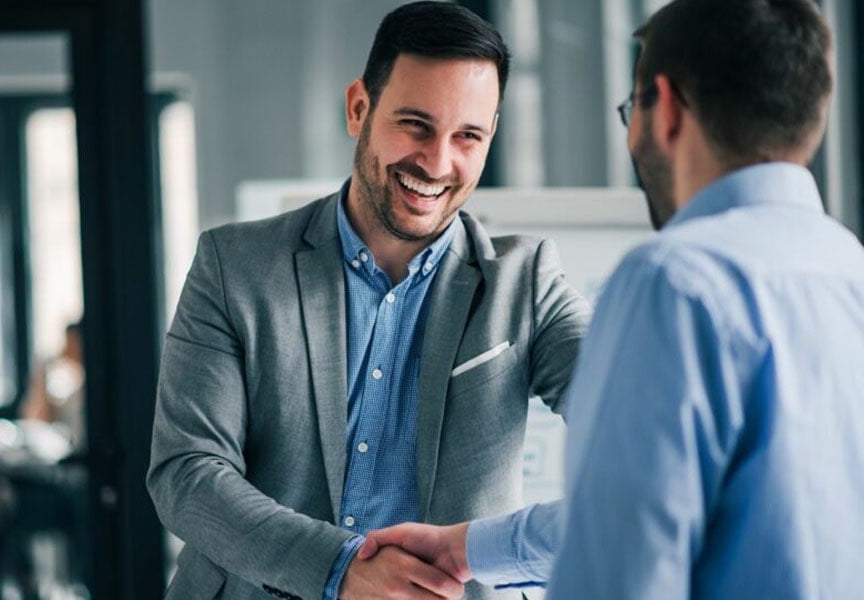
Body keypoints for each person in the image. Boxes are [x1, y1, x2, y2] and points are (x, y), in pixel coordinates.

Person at [360, 0, 864, 598]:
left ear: (667, 109)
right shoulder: (847, 267)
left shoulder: (674, 281)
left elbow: (621, 564)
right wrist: (467, 548)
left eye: (632, 108)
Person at [146, 2, 591, 599]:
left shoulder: (526, 283)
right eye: (415, 125)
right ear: (360, 108)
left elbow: (645, 434)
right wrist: (340, 568)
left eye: (468, 136)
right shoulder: (236, 267)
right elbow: (187, 473)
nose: (437, 162)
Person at [21, 320, 86, 450]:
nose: (66, 348)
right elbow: (36, 420)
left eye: (71, 343)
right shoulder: (73, 390)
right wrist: (42, 372)